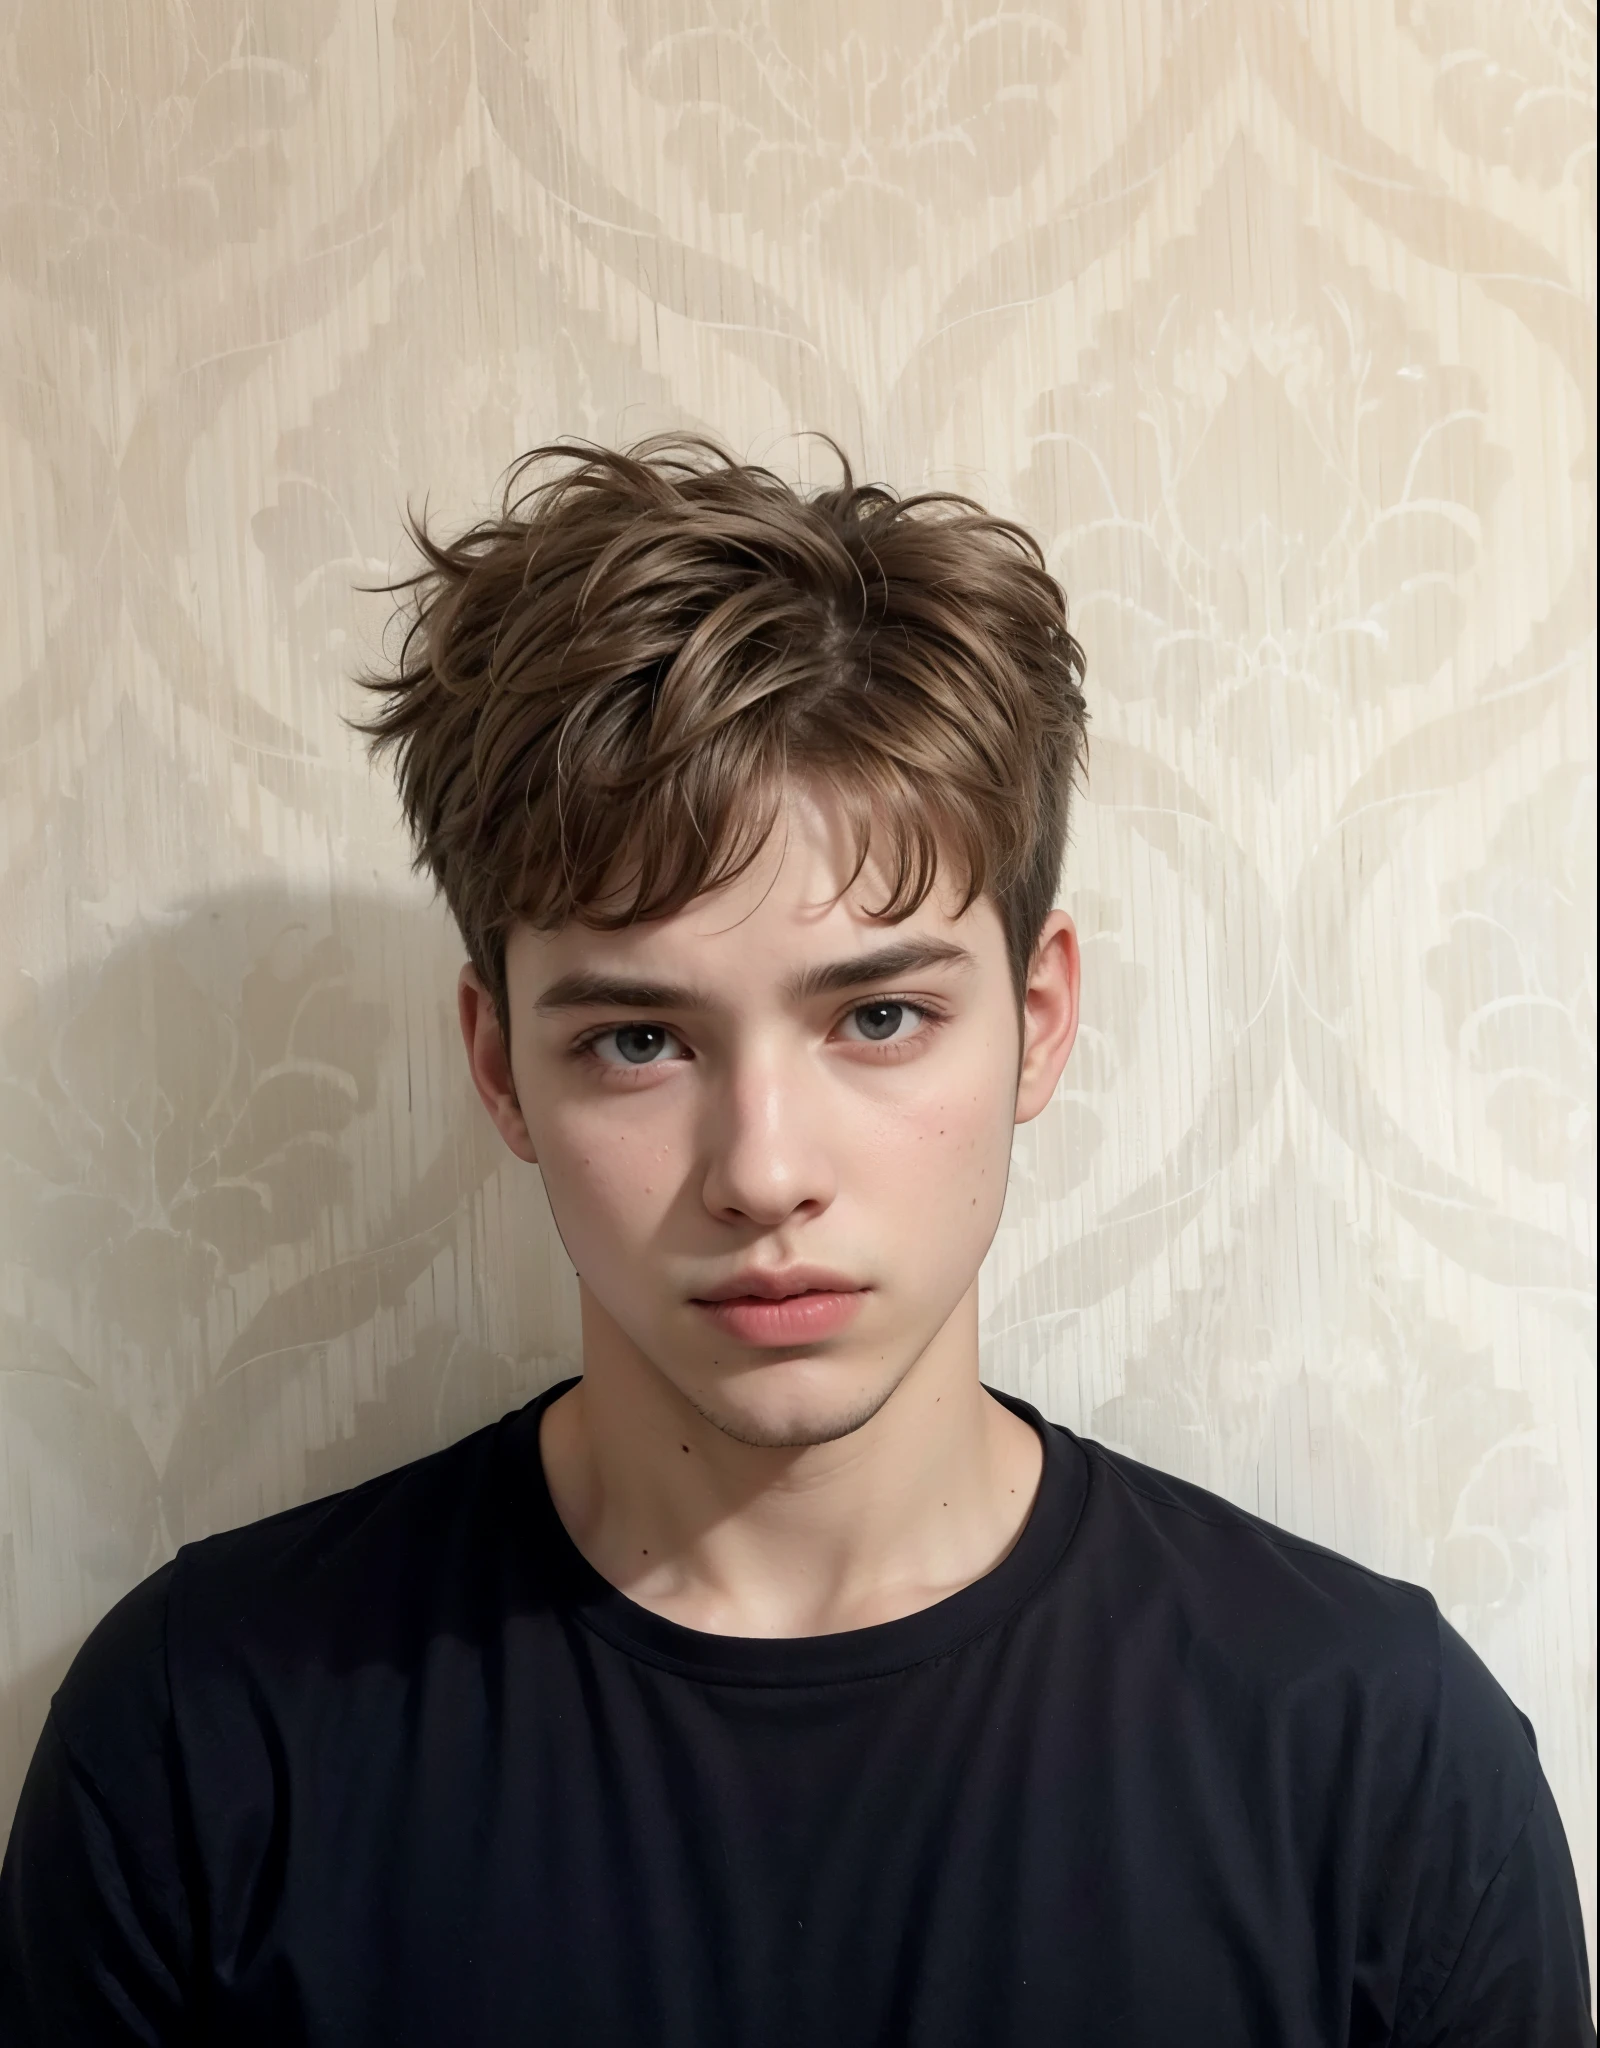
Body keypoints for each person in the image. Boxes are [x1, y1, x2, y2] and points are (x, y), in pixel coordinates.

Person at [0, 438, 1590, 2046]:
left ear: (1038, 1026)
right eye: (638, 1041)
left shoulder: (1374, 1756)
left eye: (880, 1016)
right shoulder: (204, 1738)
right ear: (499, 1067)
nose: (762, 1172)